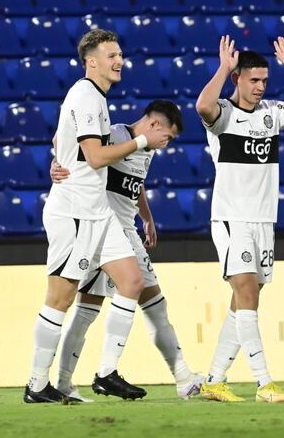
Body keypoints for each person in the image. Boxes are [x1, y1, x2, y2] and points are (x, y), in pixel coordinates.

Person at [25, 29, 170, 403]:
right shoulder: (87, 96)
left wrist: (59, 160)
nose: (119, 60)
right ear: (91, 61)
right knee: (61, 297)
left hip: (97, 212)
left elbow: (64, 141)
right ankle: (37, 383)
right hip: (74, 212)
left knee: (132, 281)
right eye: (111, 55)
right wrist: (142, 142)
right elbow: (94, 157)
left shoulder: (94, 99)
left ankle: (106, 372)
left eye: (120, 54)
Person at [195, 36, 284, 403]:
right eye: (253, 80)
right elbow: (202, 105)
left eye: (264, 80)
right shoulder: (223, 114)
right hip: (232, 218)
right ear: (237, 79)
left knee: (244, 300)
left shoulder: (273, 112)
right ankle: (264, 383)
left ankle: (214, 380)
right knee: (247, 293)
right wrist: (222, 67)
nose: (260, 87)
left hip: (264, 221)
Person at [49, 100, 205, 402]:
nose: (166, 144)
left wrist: (146, 217)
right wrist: (57, 163)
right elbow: (64, 139)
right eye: (167, 137)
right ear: (154, 125)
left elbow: (135, 184)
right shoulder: (117, 135)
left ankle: (65, 383)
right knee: (115, 306)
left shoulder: (144, 150)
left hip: (123, 230)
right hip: (106, 230)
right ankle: (99, 376)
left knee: (102, 309)